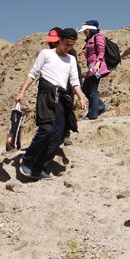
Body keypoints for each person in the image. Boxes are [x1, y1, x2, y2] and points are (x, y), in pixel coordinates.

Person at [15, 28, 86, 179]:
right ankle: (27, 161)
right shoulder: (46, 54)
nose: (68, 48)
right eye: (66, 44)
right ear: (59, 40)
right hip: (46, 95)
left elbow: (74, 81)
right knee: (46, 129)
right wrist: (22, 92)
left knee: (57, 135)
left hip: (62, 97)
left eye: (71, 45)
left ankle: (40, 167)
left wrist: (80, 97)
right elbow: (33, 73)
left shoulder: (71, 59)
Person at [79, 20, 111, 120]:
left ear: (91, 30)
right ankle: (100, 106)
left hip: (97, 67)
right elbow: (90, 53)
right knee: (85, 88)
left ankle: (92, 114)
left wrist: (97, 64)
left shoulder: (99, 37)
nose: (84, 33)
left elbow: (101, 51)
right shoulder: (90, 39)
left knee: (93, 90)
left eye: (86, 31)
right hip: (91, 68)